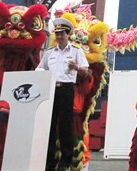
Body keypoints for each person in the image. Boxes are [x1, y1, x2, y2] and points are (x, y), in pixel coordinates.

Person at [37, 18, 90, 171]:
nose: (59, 36)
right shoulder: (49, 53)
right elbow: (40, 69)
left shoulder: (76, 51)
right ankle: (49, 161)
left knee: (66, 125)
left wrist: (77, 67)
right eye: (57, 34)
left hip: (67, 89)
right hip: (51, 89)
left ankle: (66, 162)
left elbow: (86, 71)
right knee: (50, 125)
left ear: (68, 35)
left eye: (62, 34)